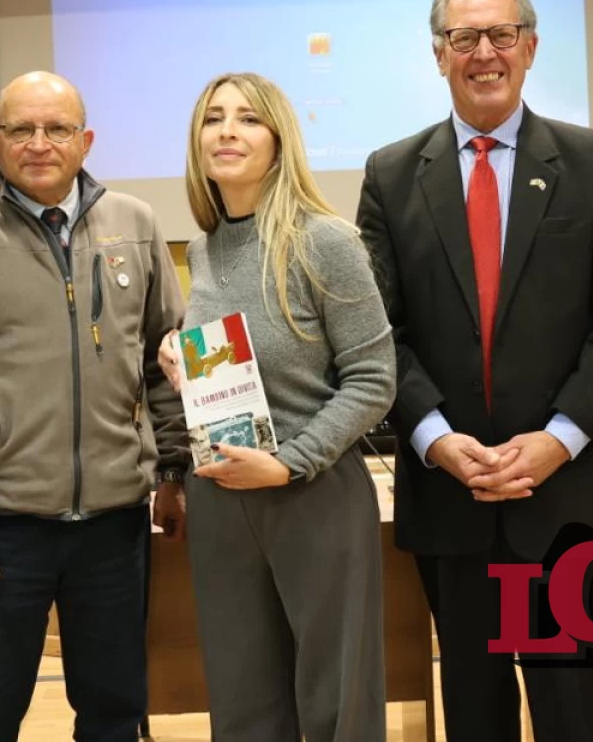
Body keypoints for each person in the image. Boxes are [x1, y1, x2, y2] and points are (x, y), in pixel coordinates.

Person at [356, 0, 593, 742]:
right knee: (475, 718)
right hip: (451, 502)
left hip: (563, 502)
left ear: (529, 45)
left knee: (580, 720)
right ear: (438, 53)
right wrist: (435, 441)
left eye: (500, 35)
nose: (483, 52)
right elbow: (380, 332)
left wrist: (558, 441)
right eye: (464, 38)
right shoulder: (391, 176)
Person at [0, 70, 186, 742]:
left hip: (114, 525)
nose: (39, 143)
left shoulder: (135, 224)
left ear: (85, 141)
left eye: (56, 129)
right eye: (21, 129)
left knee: (115, 714)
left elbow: (167, 358)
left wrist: (172, 471)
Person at [153, 72, 396, 742]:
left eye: (248, 119)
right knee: (242, 702)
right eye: (213, 118)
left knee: (337, 704)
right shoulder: (202, 248)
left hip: (310, 493)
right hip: (220, 499)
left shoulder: (327, 241)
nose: (227, 131)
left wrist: (288, 464)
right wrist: (183, 359)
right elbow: (240, 361)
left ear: (279, 139)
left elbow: (375, 379)